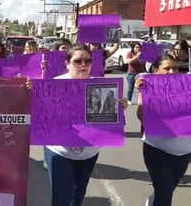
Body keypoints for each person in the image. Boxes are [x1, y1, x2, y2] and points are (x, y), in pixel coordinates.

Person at [42, 44, 127, 206]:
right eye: (78, 61)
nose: (83, 65)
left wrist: (119, 107)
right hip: (59, 151)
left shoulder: (101, 87)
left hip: (88, 153)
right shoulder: (54, 84)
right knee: (61, 197)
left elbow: (108, 123)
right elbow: (43, 115)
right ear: (67, 63)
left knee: (78, 195)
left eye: (87, 61)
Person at [136, 54, 191, 206]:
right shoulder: (149, 88)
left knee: (167, 189)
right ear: (156, 70)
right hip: (157, 150)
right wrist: (144, 93)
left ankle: (153, 201)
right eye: (166, 68)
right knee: (165, 195)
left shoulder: (187, 87)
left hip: (184, 153)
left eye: (175, 68)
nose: (172, 72)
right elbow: (142, 118)